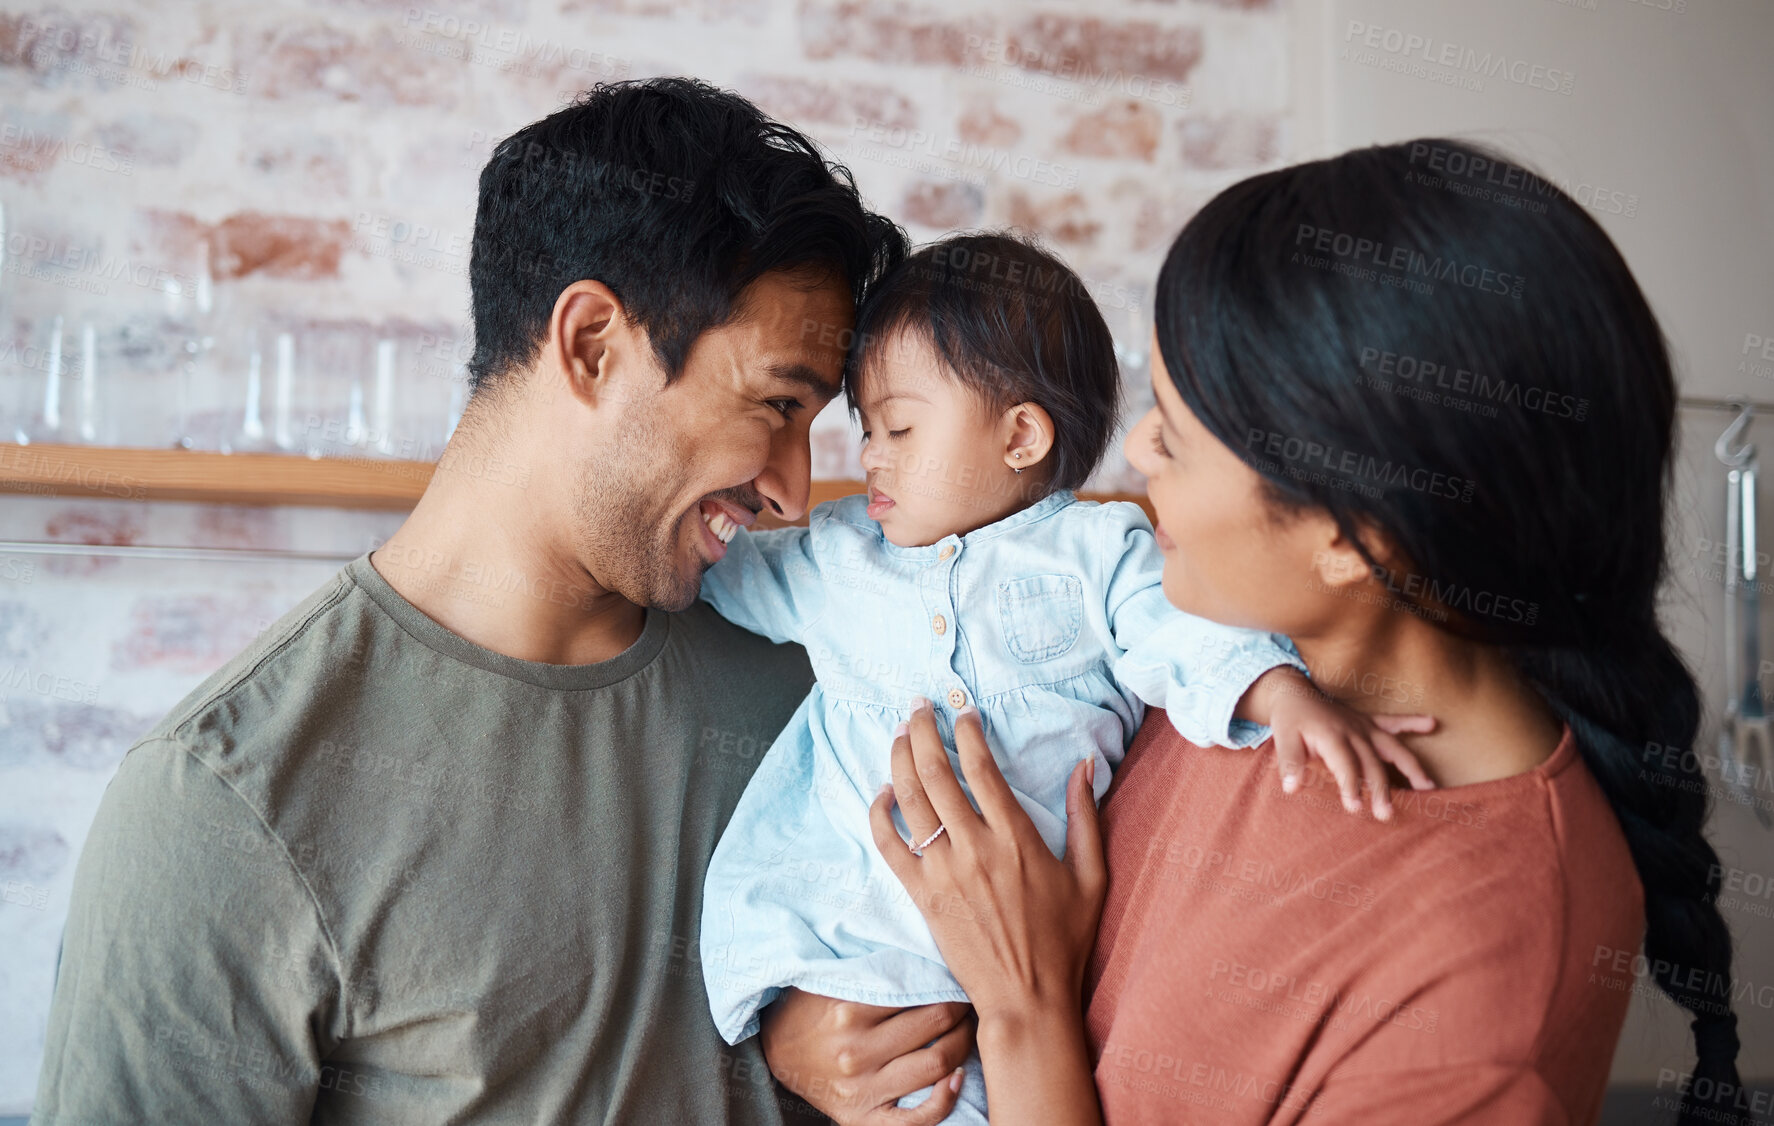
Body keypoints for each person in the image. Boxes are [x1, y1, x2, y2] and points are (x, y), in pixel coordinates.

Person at [759, 138, 1746, 1126]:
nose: (1134, 450)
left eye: (1177, 437)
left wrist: (1025, 1009)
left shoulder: (1474, 1012)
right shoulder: (1210, 658)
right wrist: (806, 1037)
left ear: (1350, 538)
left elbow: (1019, 975)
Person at [31, 77, 905, 1125]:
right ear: (589, 345)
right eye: (775, 405)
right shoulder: (226, 799)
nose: (793, 491)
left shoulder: (832, 682)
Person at [694, 233, 1432, 1124]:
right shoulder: (837, 556)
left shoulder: (1100, 551)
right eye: (866, 429)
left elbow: (1180, 635)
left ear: (1021, 435)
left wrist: (1280, 694)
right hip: (841, 930)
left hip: (1005, 961)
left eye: (898, 428)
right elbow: (712, 571)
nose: (871, 456)